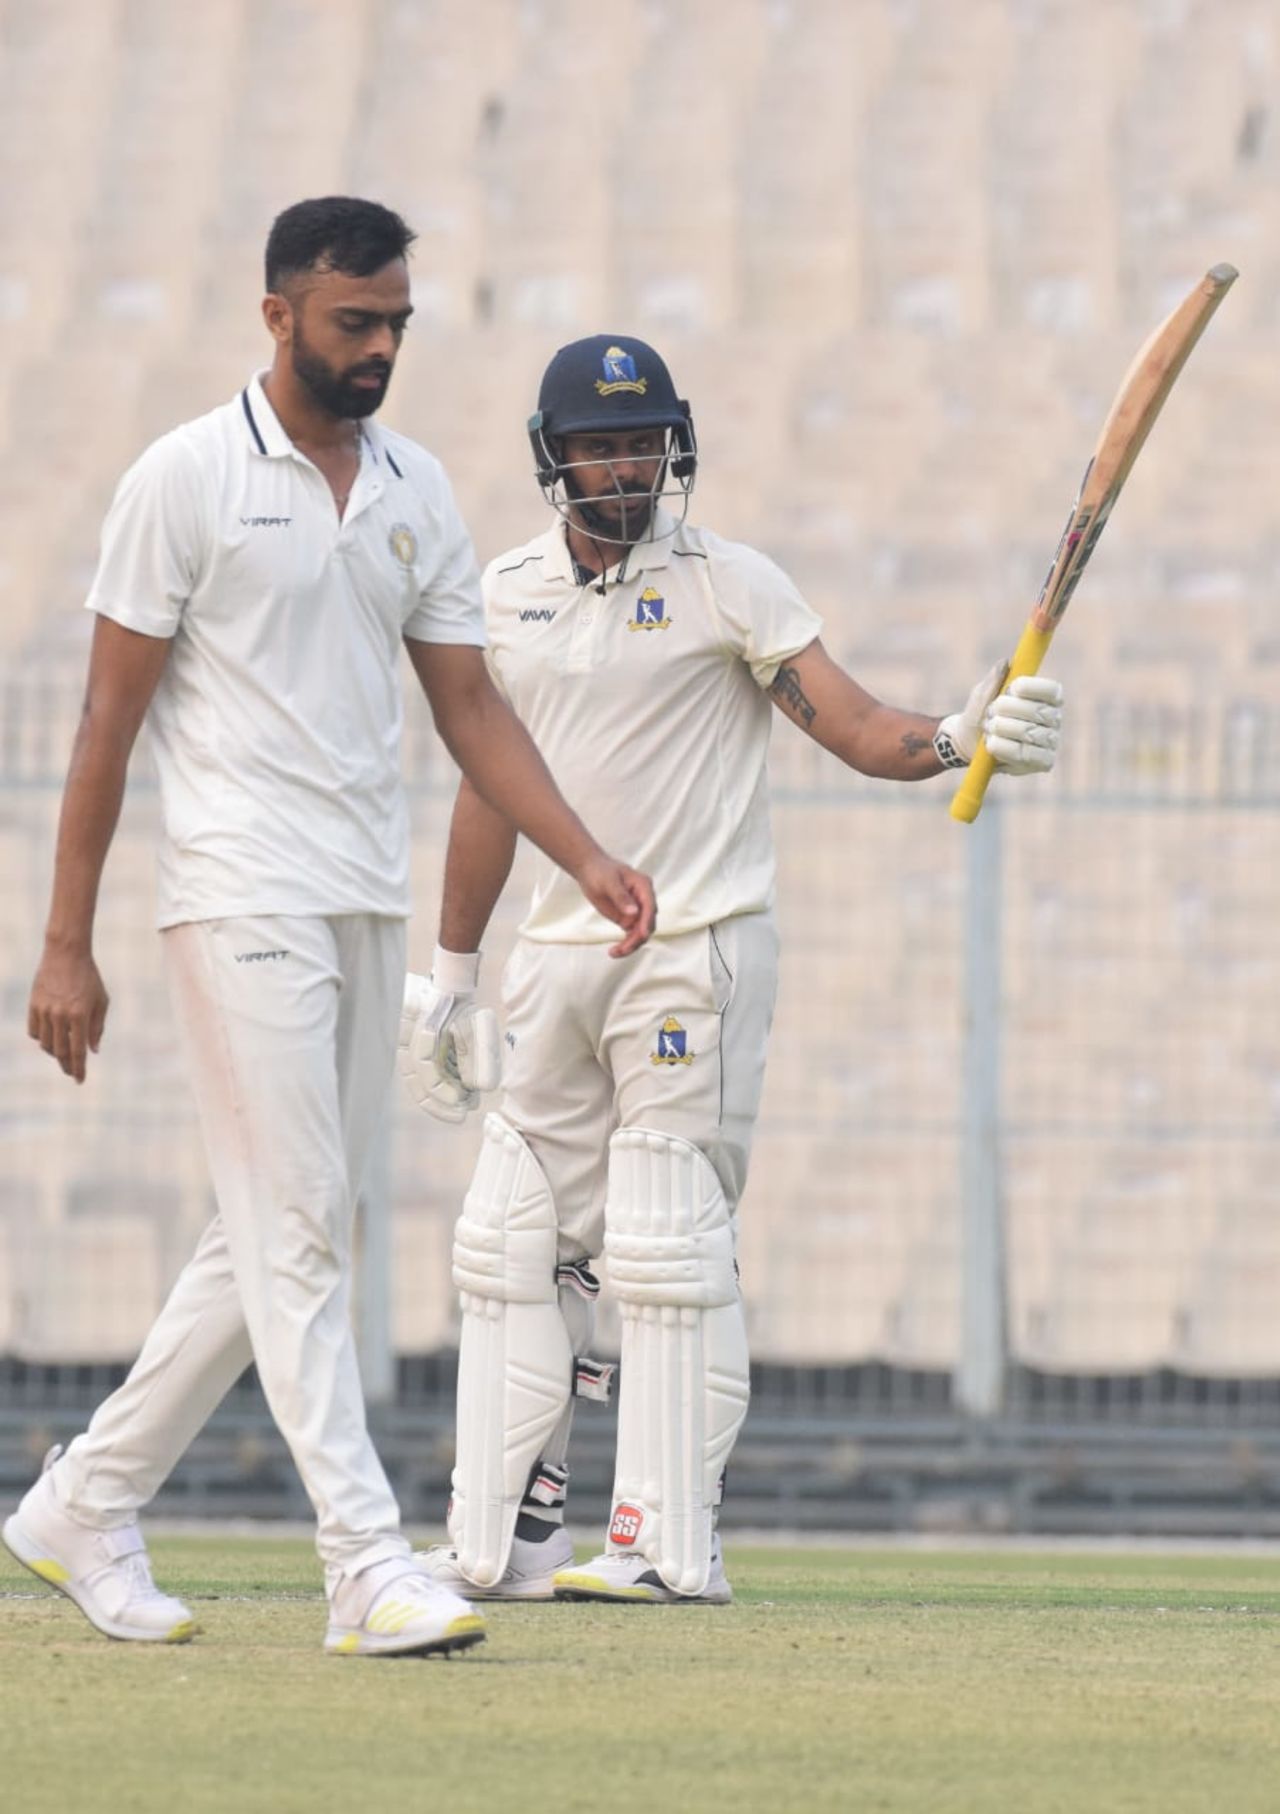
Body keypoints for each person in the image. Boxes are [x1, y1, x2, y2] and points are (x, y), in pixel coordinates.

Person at [4, 209, 654, 1657]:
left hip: (360, 893)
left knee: (276, 1234)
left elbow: (472, 711)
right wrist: (65, 942)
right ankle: (363, 1561)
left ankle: (81, 1502)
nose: (380, 349)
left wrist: (586, 853)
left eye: (398, 324)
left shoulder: (417, 485)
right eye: (356, 322)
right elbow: (107, 725)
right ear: (278, 314)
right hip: (237, 889)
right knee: (300, 1228)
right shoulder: (181, 479)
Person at [399, 333, 1065, 1606]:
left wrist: (956, 733)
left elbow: (862, 729)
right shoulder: (503, 594)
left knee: (660, 1241)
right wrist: (449, 973)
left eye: (642, 438)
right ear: (553, 455)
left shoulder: (729, 583)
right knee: (505, 1242)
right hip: (551, 960)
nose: (625, 462)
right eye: (598, 442)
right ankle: (500, 1544)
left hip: (693, 949)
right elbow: (493, 789)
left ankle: (662, 1546)